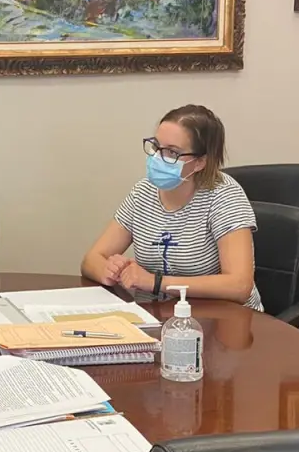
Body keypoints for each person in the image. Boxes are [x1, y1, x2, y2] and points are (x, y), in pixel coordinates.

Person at [82, 104, 262, 309]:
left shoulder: (224, 196)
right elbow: (91, 260)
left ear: (200, 162)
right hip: (158, 315)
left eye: (171, 152)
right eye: (156, 146)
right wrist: (110, 270)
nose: (157, 157)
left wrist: (156, 282)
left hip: (225, 318)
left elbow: (239, 286)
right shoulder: (143, 192)